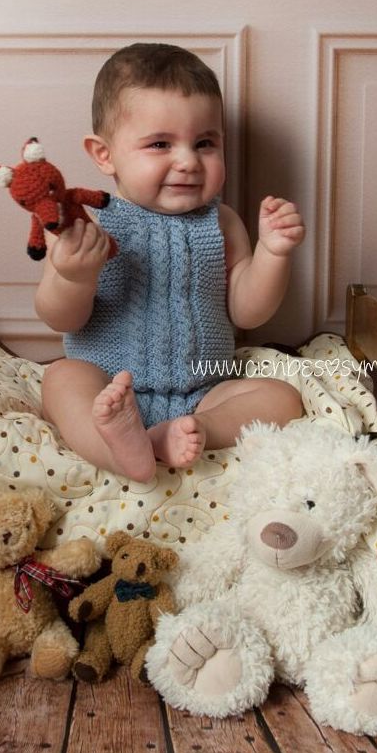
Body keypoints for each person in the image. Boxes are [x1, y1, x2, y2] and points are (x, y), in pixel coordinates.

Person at [35, 43, 305, 482]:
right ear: (104, 154)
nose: (188, 162)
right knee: (62, 379)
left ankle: (193, 430)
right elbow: (59, 317)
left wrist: (273, 253)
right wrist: (73, 277)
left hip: (205, 390)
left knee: (282, 398)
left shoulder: (222, 223)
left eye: (205, 143)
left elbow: (247, 312)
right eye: (160, 144)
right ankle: (119, 450)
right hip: (106, 385)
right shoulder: (88, 225)